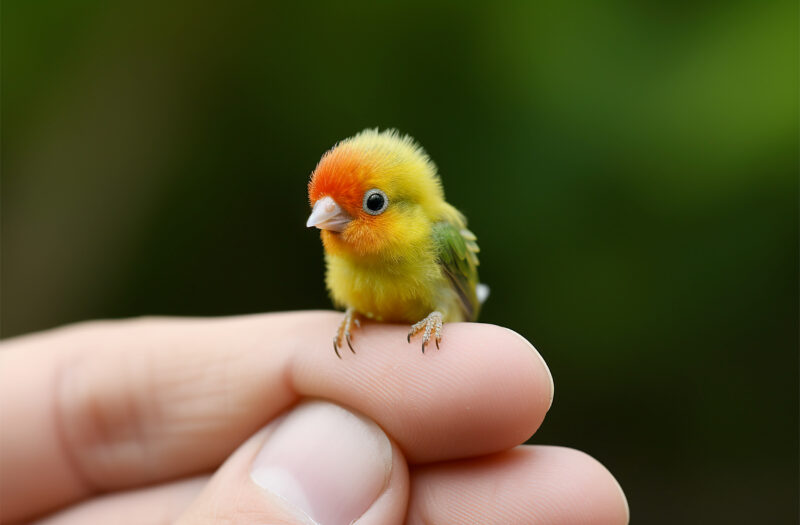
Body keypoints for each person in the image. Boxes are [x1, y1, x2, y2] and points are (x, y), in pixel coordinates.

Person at [0, 312, 629, 524]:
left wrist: (442, 315)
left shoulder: (429, 234)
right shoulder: (347, 251)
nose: (332, 219)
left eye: (368, 206)